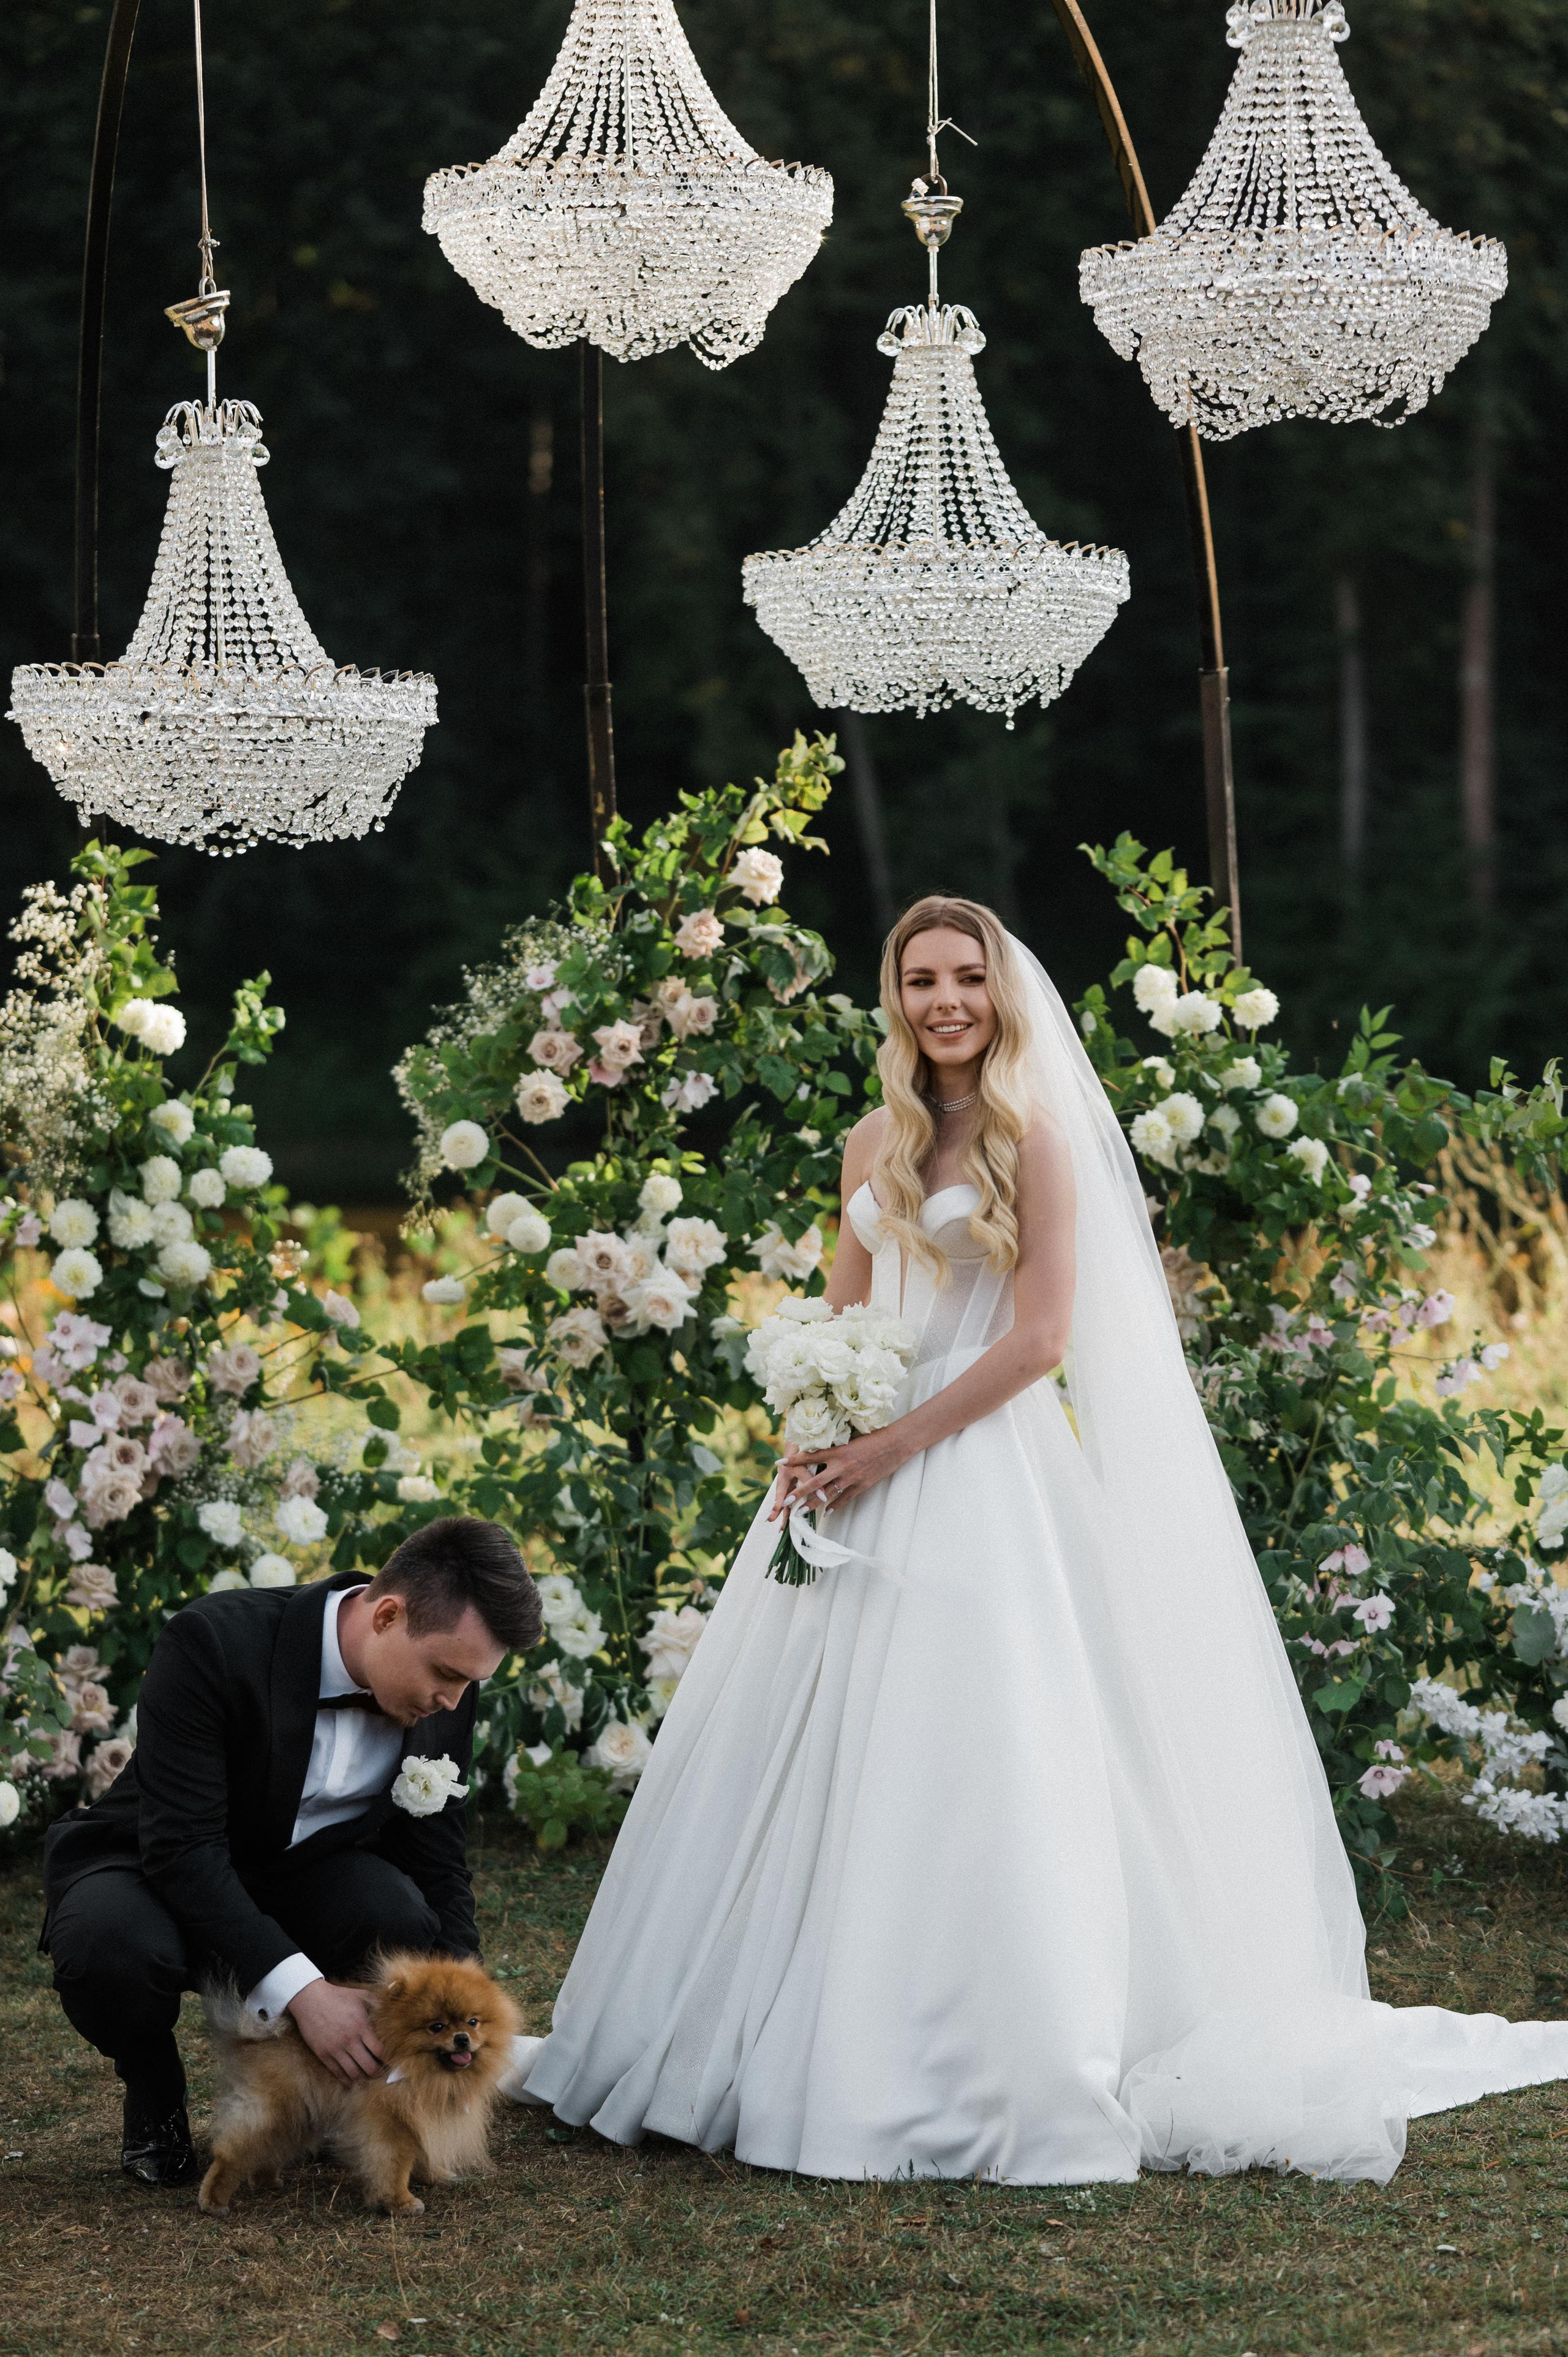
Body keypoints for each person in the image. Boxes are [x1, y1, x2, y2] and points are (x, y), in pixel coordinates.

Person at [502, 896, 1568, 2184]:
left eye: (964, 977)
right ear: (891, 998)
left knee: (984, 1743)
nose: (942, 999)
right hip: (859, 1463)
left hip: (983, 1473)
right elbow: (844, 1309)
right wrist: (816, 1418)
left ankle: (991, 2047)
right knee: (815, 1743)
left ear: (998, 995)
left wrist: (893, 1444)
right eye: (918, 979)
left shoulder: (1034, 1141)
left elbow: (1037, 1341)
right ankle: (775, 2021)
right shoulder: (867, 1141)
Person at [43, 1515, 541, 2188]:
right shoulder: (213, 1642)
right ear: (388, 1614)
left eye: (468, 1683)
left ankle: (327, 2104)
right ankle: (155, 2098)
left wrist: (464, 1995)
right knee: (108, 1943)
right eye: (447, 1674)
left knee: (402, 1917)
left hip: (304, 1873)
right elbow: (183, 1848)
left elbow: (437, 1856)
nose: (453, 1699)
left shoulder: (446, 1686)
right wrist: (304, 1992)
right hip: (155, 1868)